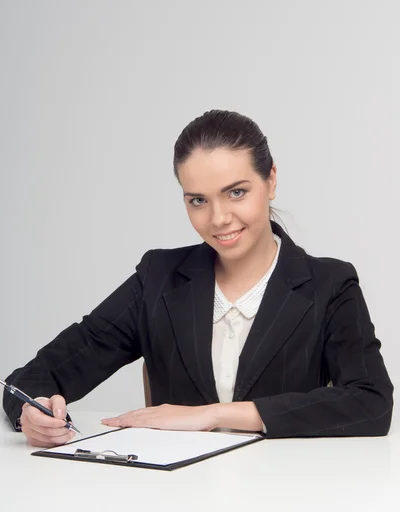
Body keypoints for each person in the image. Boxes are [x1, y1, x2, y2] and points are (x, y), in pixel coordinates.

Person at [3, 110, 394, 447]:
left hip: (284, 490)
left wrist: (212, 415)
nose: (219, 218)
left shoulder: (330, 283)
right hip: (180, 491)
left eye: (237, 192)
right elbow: (31, 378)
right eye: (198, 201)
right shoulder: (158, 278)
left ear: (271, 180)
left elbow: (371, 403)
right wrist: (31, 412)